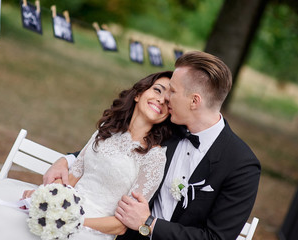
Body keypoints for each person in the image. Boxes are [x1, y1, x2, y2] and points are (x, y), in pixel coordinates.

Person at [45, 51, 261, 240]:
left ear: (194, 101)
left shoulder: (241, 165)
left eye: (173, 92)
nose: (165, 98)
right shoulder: (168, 129)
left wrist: (149, 223)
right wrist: (65, 160)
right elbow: (114, 151)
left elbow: (215, 238)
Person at [0, 71, 174, 240]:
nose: (160, 101)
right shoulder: (107, 130)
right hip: (63, 207)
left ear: (167, 114)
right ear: (138, 94)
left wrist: (73, 220)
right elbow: (73, 178)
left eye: (167, 101)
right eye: (157, 90)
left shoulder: (154, 157)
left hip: (90, 229)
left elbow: (122, 226)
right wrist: (46, 198)